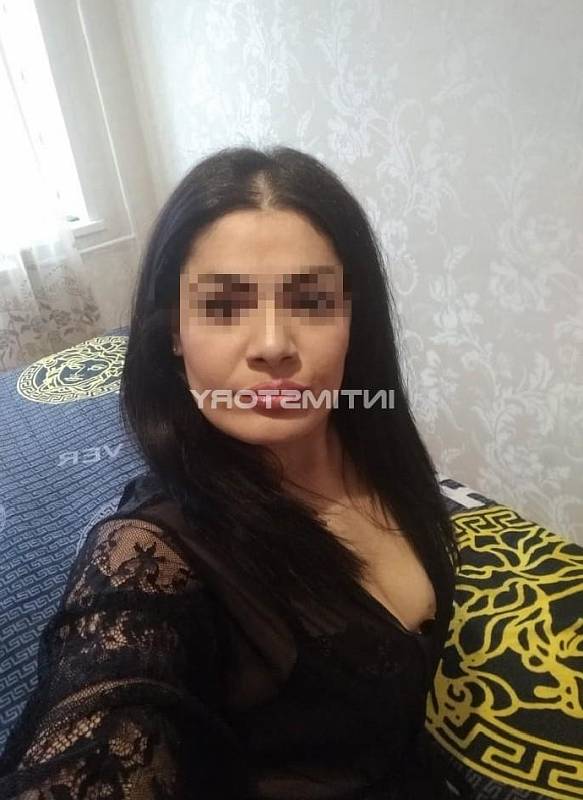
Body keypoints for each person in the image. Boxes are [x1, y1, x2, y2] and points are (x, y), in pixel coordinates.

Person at [0, 146, 469, 799]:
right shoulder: (149, 553)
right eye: (223, 306)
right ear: (173, 331)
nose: (273, 345)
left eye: (311, 301)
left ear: (351, 316)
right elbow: (109, 705)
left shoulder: (374, 446)